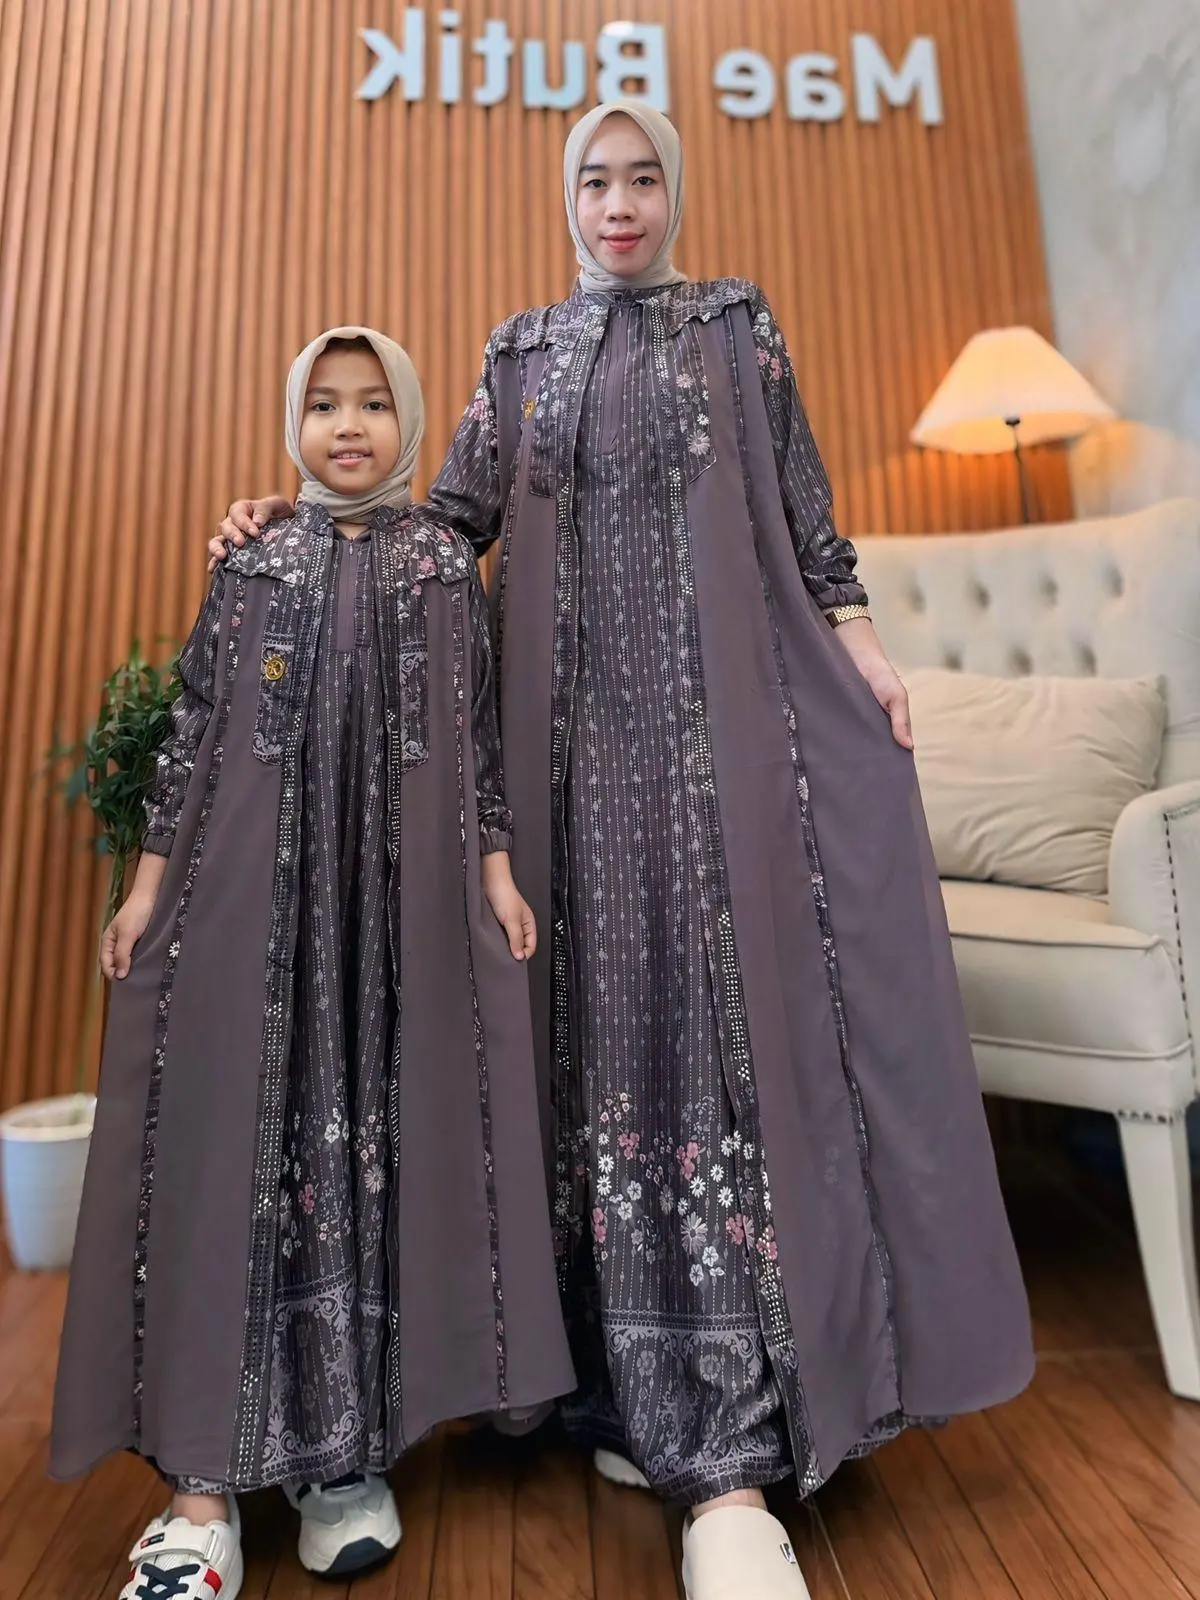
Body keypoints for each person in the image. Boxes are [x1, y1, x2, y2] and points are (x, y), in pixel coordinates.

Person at [212, 107, 1034, 1600]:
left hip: (715, 773)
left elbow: (809, 521)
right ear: (567, 198)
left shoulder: (734, 327)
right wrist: (305, 516)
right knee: (578, 1046)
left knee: (709, 1045)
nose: (620, 201)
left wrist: (864, 653)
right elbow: (441, 526)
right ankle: (606, 1390)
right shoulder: (519, 357)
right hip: (557, 777)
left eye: (643, 175)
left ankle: (727, 1449)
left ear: (674, 190)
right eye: (594, 179)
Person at [52, 328, 575, 1600]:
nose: (349, 425)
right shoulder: (254, 561)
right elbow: (193, 728)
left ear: (410, 423)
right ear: (293, 419)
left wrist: (496, 873)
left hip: (389, 927)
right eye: (325, 403)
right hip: (253, 914)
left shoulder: (442, 564)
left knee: (373, 1158)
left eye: (375, 403)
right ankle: (201, 1493)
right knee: (228, 1154)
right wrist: (147, 890)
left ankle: (342, 1461)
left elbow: (475, 736)